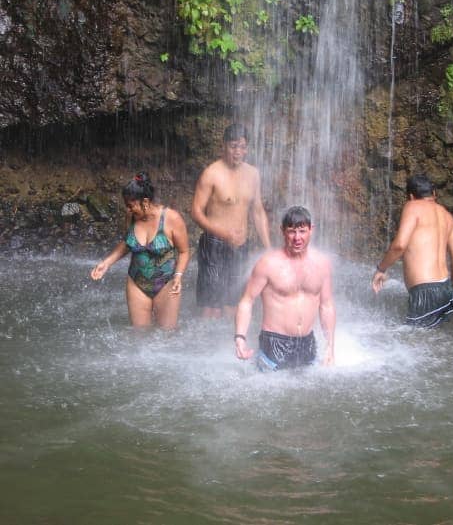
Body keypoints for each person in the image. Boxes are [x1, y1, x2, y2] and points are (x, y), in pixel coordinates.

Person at [234, 206, 335, 371]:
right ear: (282, 231)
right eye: (291, 231)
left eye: (302, 231)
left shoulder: (322, 264)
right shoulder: (268, 263)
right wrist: (240, 337)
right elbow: (247, 301)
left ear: (311, 230)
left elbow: (326, 305)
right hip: (274, 343)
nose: (297, 238)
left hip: (308, 344)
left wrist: (330, 345)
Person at [191, 123, 271, 318]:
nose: (238, 152)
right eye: (233, 146)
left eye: (242, 147)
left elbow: (258, 212)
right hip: (214, 245)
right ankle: (206, 345)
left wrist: (269, 248)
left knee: (235, 303)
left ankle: (231, 345)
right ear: (224, 146)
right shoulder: (212, 173)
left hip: (240, 245)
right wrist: (222, 233)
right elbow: (196, 212)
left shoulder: (253, 174)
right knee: (212, 307)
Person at [91, 172, 190, 329]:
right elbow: (128, 243)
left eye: (131, 205)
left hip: (166, 283)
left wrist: (178, 276)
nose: (128, 210)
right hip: (136, 282)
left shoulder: (171, 218)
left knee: (167, 335)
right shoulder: (131, 217)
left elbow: (184, 251)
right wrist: (107, 263)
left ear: (145, 201)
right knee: (139, 337)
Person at [372, 174, 453, 328]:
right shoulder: (448, 216)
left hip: (425, 291)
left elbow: (399, 245)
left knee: (410, 344)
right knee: (428, 345)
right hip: (446, 290)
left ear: (411, 196)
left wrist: (381, 269)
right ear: (434, 194)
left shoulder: (412, 206)